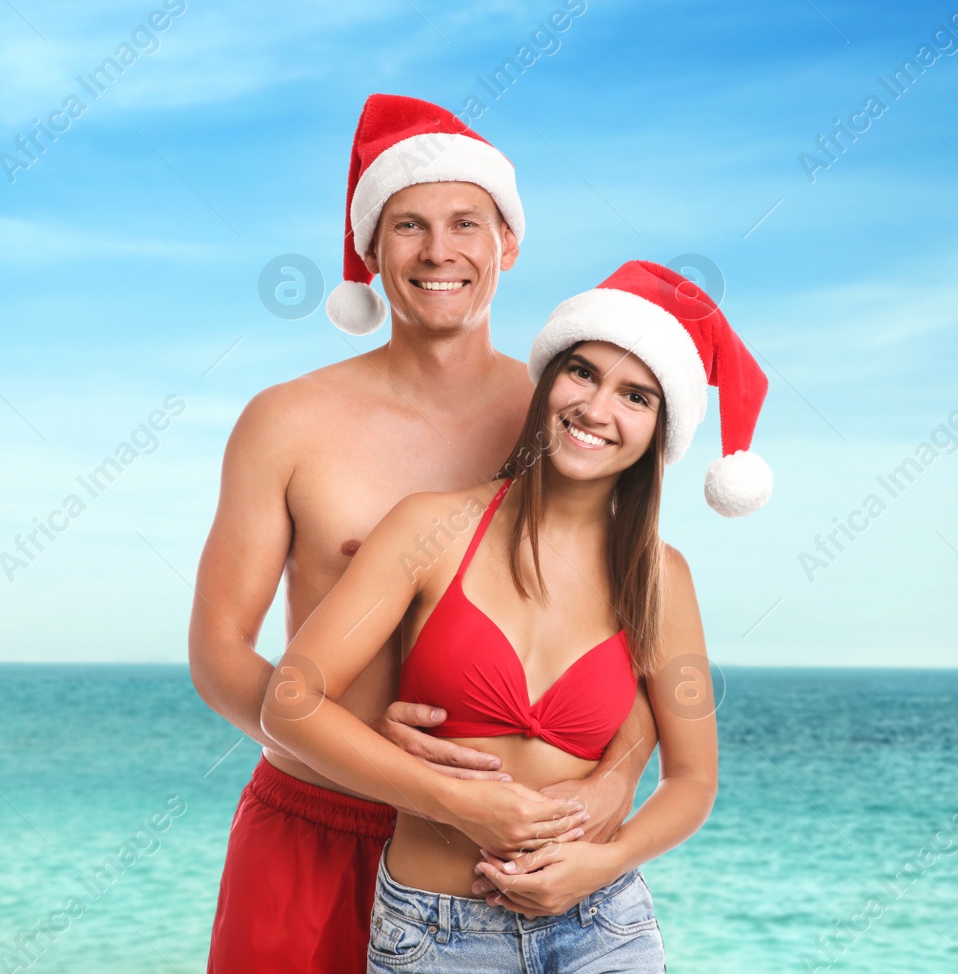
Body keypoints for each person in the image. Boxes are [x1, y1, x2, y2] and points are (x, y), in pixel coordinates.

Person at [192, 94, 658, 974]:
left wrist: (616, 780)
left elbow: (634, 628)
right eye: (408, 225)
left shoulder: (564, 424)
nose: (439, 252)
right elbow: (218, 653)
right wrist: (406, 778)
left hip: (488, 867)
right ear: (371, 248)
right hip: (311, 828)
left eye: (465, 224)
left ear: (508, 244)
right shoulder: (287, 422)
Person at [262, 260, 775, 971]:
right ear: (549, 381)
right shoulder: (427, 530)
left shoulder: (661, 577)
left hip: (605, 926)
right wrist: (454, 802)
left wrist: (605, 862)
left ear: (661, 431)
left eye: (636, 396)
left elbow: (692, 782)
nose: (597, 410)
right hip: (437, 935)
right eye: (583, 374)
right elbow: (290, 705)